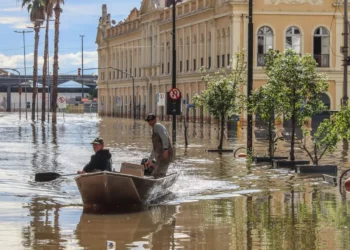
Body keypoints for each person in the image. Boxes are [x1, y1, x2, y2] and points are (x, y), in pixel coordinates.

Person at [144, 113, 173, 178]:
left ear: (155, 120)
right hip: (160, 155)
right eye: (148, 120)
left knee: (158, 174)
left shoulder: (157, 126)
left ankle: (159, 184)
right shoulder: (154, 129)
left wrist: (166, 149)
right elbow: (155, 148)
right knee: (155, 172)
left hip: (165, 154)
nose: (149, 122)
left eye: (150, 120)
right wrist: (150, 159)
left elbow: (165, 136)